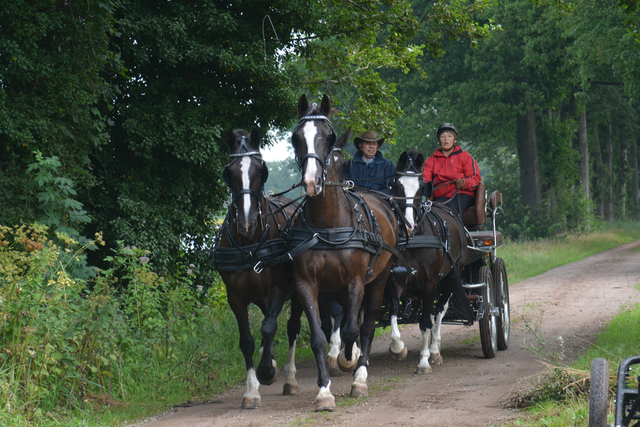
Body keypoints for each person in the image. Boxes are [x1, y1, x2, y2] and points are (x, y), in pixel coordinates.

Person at [423, 123, 481, 215]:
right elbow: (426, 180)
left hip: (461, 194)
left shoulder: (465, 156)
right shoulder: (431, 160)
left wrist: (464, 183)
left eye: (449, 136)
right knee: (432, 215)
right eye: (443, 136)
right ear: (439, 140)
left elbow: (476, 179)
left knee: (448, 213)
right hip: (441, 196)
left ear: (454, 140)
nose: (446, 139)